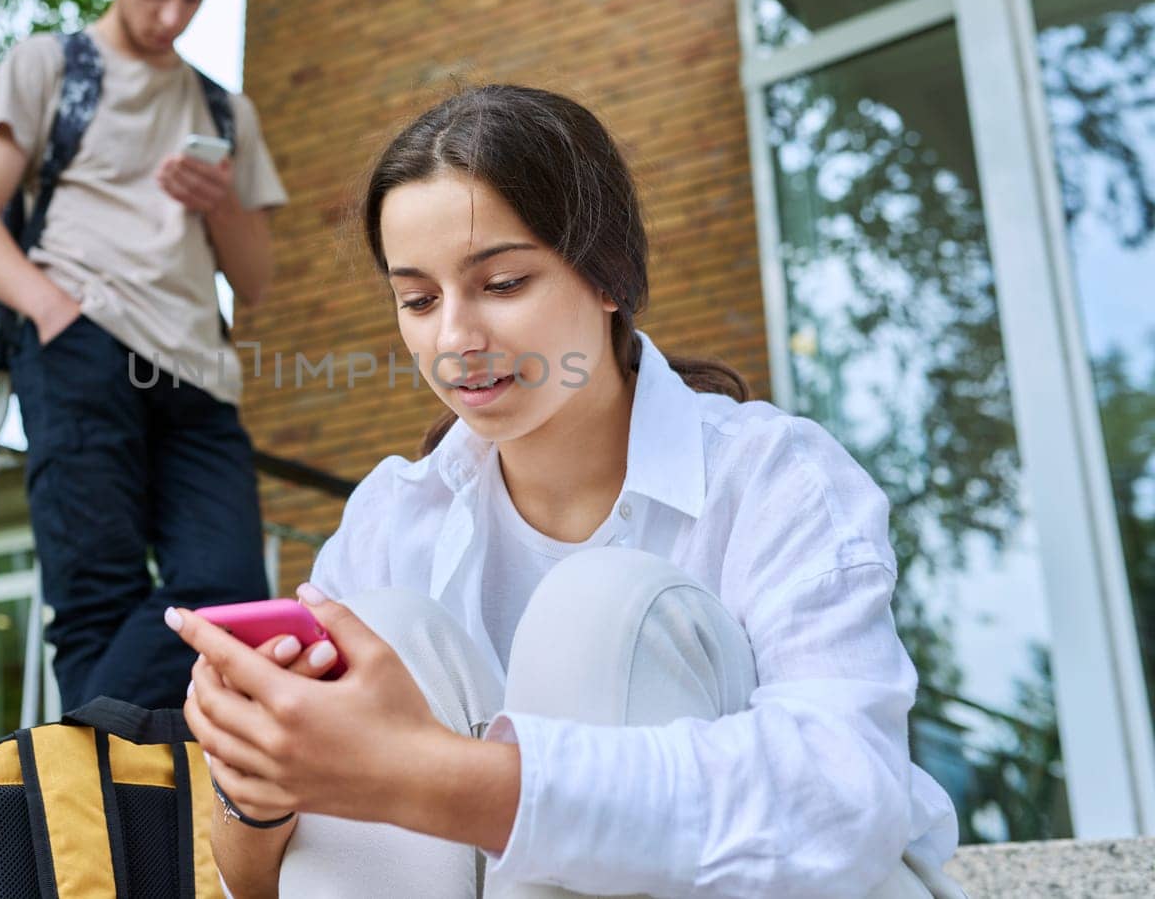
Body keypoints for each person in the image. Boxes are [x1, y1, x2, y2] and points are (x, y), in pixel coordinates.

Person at [166, 85, 968, 897]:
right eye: (418, 299)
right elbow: (252, 881)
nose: (454, 340)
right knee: (382, 628)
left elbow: (842, 804)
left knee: (602, 614)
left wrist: (430, 776)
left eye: (504, 283)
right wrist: (259, 786)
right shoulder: (389, 519)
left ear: (608, 274)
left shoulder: (770, 475)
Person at [0, 0, 287, 711]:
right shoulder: (48, 66)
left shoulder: (224, 112)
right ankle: (102, 826)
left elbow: (260, 278)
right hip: (81, 347)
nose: (173, 15)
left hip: (198, 375)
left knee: (229, 592)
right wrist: (53, 311)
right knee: (95, 604)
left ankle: (51, 785)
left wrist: (221, 206)